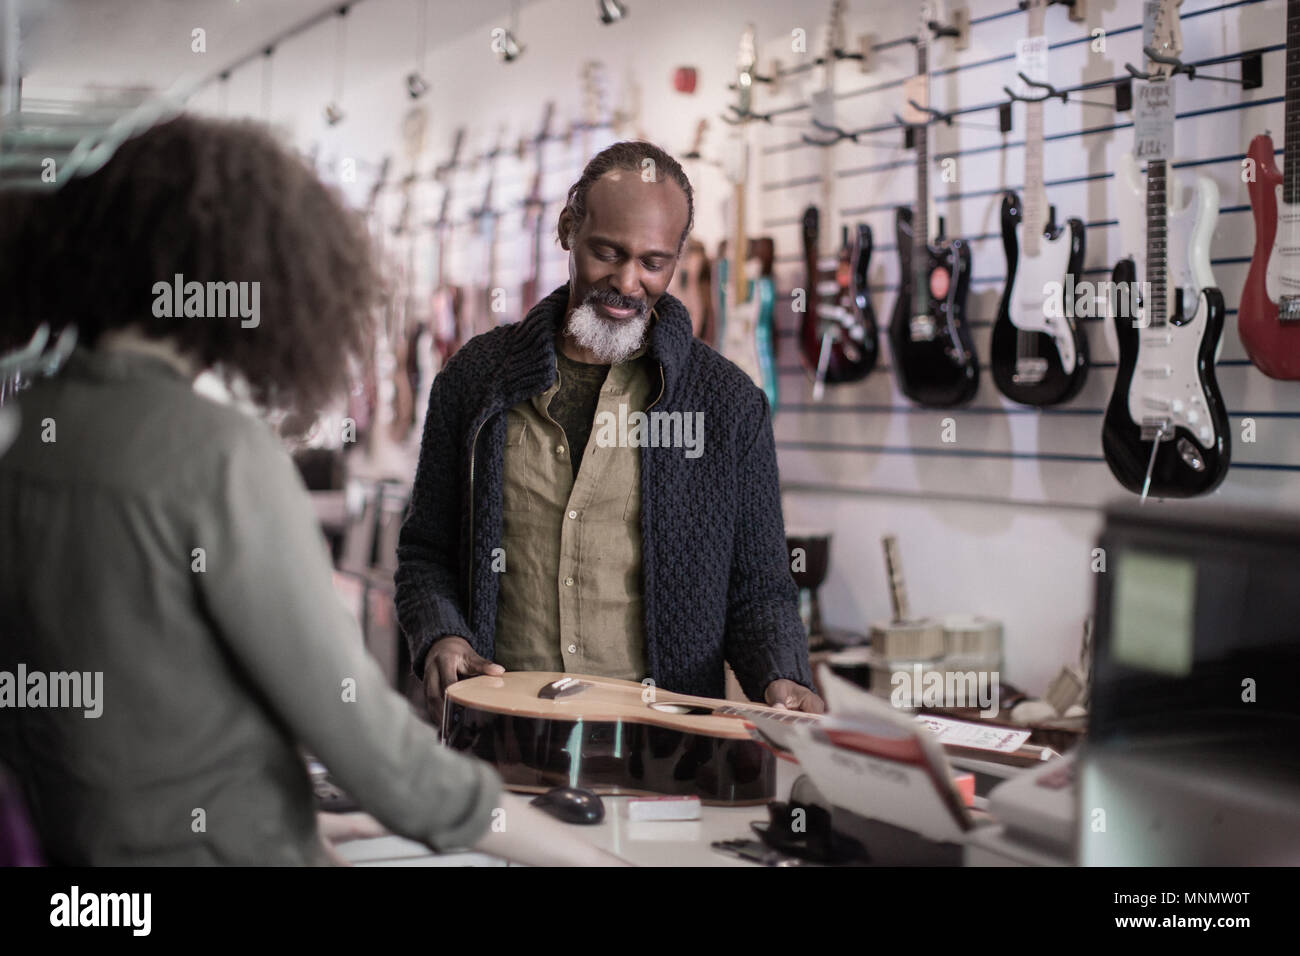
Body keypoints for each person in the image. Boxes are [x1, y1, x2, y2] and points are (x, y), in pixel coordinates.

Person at [0, 113, 621, 866]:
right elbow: (368, 746)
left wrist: (304, 814)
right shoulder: (214, 455)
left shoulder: (29, 431)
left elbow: (124, 722)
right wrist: (591, 860)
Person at [396, 140, 825, 719]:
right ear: (568, 230)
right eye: (607, 252)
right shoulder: (474, 379)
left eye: (653, 263)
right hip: (498, 738)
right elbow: (425, 553)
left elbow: (761, 588)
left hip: (664, 754)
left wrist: (781, 674)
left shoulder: (729, 406)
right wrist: (441, 635)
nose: (627, 283)